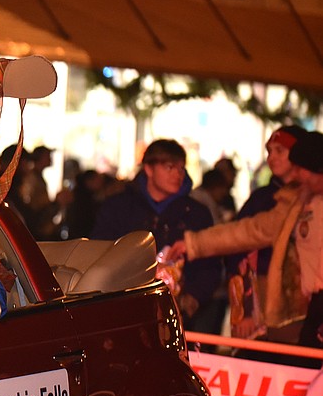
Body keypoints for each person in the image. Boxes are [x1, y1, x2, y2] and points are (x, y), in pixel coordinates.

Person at [169, 131, 323, 353]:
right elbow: (250, 231)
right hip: (301, 311)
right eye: (270, 151)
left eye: (281, 152)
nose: (296, 173)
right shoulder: (294, 201)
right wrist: (193, 243)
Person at [91, 138, 221, 329]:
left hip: (178, 315)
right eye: (169, 167)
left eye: (181, 168)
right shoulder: (119, 207)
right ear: (149, 169)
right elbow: (99, 251)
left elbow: (210, 264)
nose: (177, 174)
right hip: (123, 313)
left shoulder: (196, 213)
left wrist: (193, 297)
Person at [230, 125, 308, 335]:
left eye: (279, 151)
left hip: (307, 302)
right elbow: (237, 250)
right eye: (269, 151)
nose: (271, 157)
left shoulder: (314, 199)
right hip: (261, 303)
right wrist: (245, 309)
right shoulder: (261, 199)